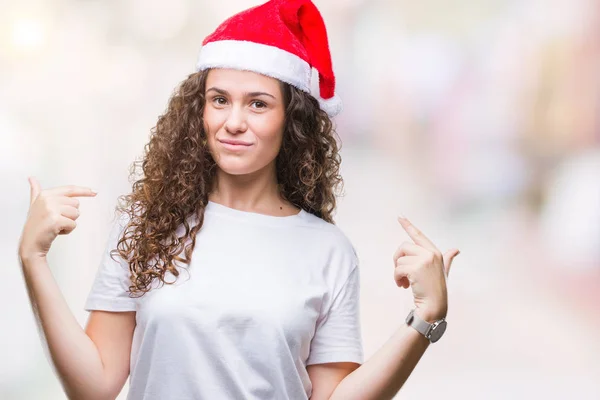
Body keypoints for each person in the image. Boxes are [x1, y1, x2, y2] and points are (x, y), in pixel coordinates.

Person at [18, 1, 460, 399]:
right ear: (199, 110)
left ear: (293, 119)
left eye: (258, 104)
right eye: (219, 100)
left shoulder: (328, 252)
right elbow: (93, 388)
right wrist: (33, 258)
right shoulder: (146, 225)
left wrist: (424, 318)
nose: (233, 121)